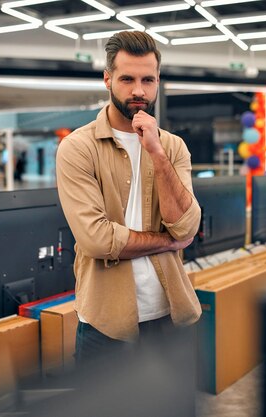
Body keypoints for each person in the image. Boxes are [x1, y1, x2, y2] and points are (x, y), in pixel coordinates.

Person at [55, 31, 202, 366]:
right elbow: (96, 239)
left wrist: (156, 152)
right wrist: (166, 242)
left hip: (170, 314)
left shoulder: (173, 146)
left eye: (148, 80)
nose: (139, 90)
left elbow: (187, 225)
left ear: (157, 81)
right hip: (106, 323)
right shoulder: (78, 149)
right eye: (127, 79)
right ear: (107, 79)